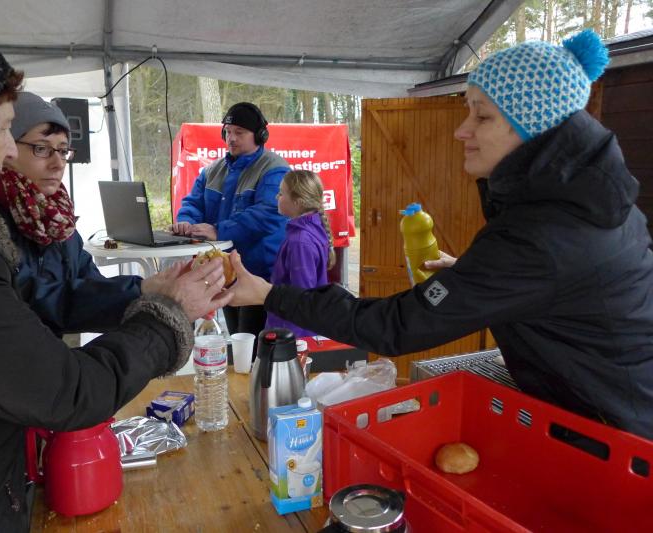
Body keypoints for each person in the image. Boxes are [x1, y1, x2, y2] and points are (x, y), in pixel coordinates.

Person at [0, 18, 231, 532]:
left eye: (62, 150)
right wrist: (168, 314)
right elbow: (67, 389)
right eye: (5, 129)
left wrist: (146, 289)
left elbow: (75, 292)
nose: (10, 150)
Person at [227, 30, 653, 440]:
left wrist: (270, 294)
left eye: (482, 115)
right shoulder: (588, 199)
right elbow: (567, 289)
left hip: (619, 437)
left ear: (533, 127)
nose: (461, 130)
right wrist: (471, 273)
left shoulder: (544, 233)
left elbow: (396, 326)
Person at [0, 91, 161, 336]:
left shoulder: (58, 221)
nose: (58, 163)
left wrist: (154, 293)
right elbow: (33, 298)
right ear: (7, 147)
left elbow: (91, 285)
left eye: (63, 151)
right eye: (41, 148)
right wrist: (142, 290)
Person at [171, 102, 289, 338]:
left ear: (259, 136)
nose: (231, 138)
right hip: (225, 272)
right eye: (227, 132)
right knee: (237, 339)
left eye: (239, 132)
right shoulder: (212, 170)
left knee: (253, 341)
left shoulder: (274, 169)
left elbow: (268, 214)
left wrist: (219, 230)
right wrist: (186, 221)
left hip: (259, 273)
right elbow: (193, 203)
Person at [265, 170, 336, 337]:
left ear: (298, 202)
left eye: (281, 193)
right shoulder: (311, 228)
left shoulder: (300, 241)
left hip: (292, 332)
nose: (277, 197)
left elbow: (302, 299)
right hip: (296, 327)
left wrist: (295, 341)